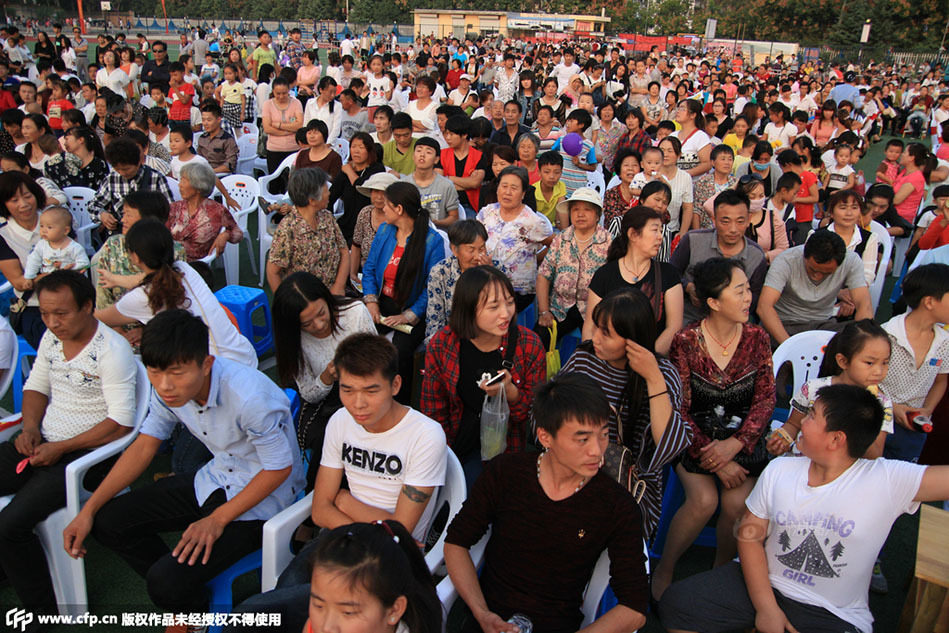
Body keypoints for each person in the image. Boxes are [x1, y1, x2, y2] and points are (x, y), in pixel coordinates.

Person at [63, 310, 304, 631]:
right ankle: (186, 592)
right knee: (108, 522)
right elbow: (145, 445)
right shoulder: (169, 390)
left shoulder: (248, 398)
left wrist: (216, 520)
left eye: (176, 372)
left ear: (205, 364)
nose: (165, 385)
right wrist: (87, 510)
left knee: (163, 583)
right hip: (217, 476)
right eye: (154, 371)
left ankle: (191, 607)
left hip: (264, 499)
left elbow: (278, 468)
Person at [657, 382, 949, 633]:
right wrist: (766, 608)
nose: (800, 421)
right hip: (761, 584)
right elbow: (749, 537)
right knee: (677, 606)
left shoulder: (887, 479)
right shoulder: (781, 469)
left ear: (836, 439)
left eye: (811, 415)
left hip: (832, 611)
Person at [227, 333, 446, 633]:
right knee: (266, 609)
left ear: (395, 385)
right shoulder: (340, 421)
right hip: (338, 541)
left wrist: (343, 501)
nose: (358, 404)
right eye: (347, 390)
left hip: (387, 559)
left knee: (259, 613)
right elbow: (319, 509)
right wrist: (346, 513)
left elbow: (400, 531)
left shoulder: (425, 435)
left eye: (371, 391)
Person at [443, 371, 649, 633]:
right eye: (582, 439)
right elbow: (457, 542)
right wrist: (482, 614)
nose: (597, 450)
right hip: (489, 620)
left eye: (604, 435)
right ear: (545, 437)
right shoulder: (505, 473)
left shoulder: (616, 505)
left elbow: (634, 607)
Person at [0, 271, 137, 619]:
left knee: (10, 524)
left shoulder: (112, 350)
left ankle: (41, 610)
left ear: (88, 306)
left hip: (86, 457)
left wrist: (61, 448)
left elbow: (120, 424)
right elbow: (35, 387)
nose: (51, 322)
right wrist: (29, 428)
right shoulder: (51, 338)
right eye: (45, 313)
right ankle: (9, 566)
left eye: (61, 313)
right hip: (45, 442)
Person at [653, 259, 775, 600]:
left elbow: (766, 399)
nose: (748, 298)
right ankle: (665, 568)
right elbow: (680, 407)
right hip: (696, 438)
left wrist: (736, 445)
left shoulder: (757, 337)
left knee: (737, 503)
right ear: (714, 302)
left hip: (743, 439)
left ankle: (720, 570)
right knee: (704, 500)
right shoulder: (686, 341)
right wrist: (717, 457)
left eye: (748, 289)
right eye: (739, 291)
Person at [561, 288, 689, 539]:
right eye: (595, 327)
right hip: (573, 469)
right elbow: (546, 415)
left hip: (631, 487)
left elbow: (670, 447)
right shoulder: (584, 359)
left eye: (606, 333)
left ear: (633, 339)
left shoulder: (663, 375)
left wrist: (652, 378)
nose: (595, 338)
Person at [422, 265, 546, 486]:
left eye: (509, 302)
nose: (506, 313)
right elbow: (433, 411)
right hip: (455, 447)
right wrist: (442, 458)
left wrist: (511, 393)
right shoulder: (443, 344)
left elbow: (536, 417)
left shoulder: (529, 345)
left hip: (506, 452)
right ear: (468, 308)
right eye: (493, 306)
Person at [95, 219, 257, 368]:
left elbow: (96, 317)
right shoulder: (184, 270)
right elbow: (147, 278)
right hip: (244, 358)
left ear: (135, 257)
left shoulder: (142, 298)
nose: (123, 219)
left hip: (216, 375)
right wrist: (116, 279)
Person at [272, 272, 376, 489]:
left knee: (350, 436)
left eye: (321, 313)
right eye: (307, 324)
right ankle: (321, 500)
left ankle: (317, 504)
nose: (319, 325)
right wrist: (327, 377)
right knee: (331, 438)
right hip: (326, 402)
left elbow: (380, 363)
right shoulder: (294, 340)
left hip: (365, 391)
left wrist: (357, 371)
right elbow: (309, 394)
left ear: (327, 299)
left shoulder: (355, 313)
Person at [363, 182, 446, 403]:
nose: (383, 210)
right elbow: (370, 269)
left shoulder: (431, 241)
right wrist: (372, 302)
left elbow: (432, 288)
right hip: (383, 303)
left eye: (387, 206)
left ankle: (400, 404)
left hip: (414, 312)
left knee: (398, 354)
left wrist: (408, 316)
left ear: (399, 209)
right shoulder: (384, 231)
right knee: (358, 339)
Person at [585, 205, 684, 355]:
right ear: (633, 234)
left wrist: (648, 359)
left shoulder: (668, 274)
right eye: (654, 230)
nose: (660, 237)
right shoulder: (605, 274)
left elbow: (674, 326)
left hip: (651, 362)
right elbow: (590, 327)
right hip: (608, 363)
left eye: (661, 230)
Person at [880, 264, 949, 464]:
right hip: (876, 419)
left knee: (903, 478)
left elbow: (940, 381)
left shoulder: (944, 342)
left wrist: (927, 410)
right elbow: (864, 383)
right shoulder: (886, 336)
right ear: (929, 302)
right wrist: (893, 408)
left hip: (914, 426)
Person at [757, 231, 873, 346]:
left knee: (865, 333)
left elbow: (864, 306)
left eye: (827, 273)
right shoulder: (786, 260)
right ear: (804, 256)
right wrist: (789, 346)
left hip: (823, 325)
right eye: (812, 269)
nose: (817, 276)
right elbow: (764, 307)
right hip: (784, 324)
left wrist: (860, 341)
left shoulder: (851, 261)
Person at [671, 189, 768, 325]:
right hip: (689, 319)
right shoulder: (693, 240)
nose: (733, 229)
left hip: (731, 325)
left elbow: (755, 297)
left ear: (749, 220)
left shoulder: (756, 256)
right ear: (714, 220)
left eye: (740, 222)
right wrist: (688, 287)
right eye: (725, 222)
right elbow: (670, 274)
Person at [536, 188, 611, 348]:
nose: (580, 214)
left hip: (595, 311)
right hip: (560, 307)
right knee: (538, 339)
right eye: (575, 209)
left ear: (597, 215)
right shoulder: (561, 239)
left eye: (587, 210)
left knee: (598, 348)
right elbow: (544, 275)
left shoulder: (609, 242)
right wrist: (544, 311)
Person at [477, 165, 553, 311]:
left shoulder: (532, 221)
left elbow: (556, 245)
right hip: (486, 280)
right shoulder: (487, 212)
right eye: (504, 186)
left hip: (517, 289)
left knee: (488, 309)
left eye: (514, 188)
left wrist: (537, 259)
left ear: (523, 193)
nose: (507, 192)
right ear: (497, 188)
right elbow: (473, 240)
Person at [267, 167, 349, 297]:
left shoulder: (327, 217)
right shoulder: (288, 228)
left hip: (331, 294)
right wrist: (286, 304)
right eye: (326, 190)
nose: (329, 193)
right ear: (312, 201)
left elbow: (344, 252)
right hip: (304, 301)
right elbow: (273, 272)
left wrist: (339, 286)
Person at [425, 219, 504, 343]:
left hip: (488, 338)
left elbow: (502, 309)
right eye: (471, 250)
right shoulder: (440, 272)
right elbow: (434, 319)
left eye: (482, 248)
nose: (478, 256)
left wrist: (489, 274)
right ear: (455, 250)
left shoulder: (496, 269)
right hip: (453, 339)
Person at [0, 171, 47, 346]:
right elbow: (20, 283)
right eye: (14, 200)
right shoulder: (4, 236)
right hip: (34, 307)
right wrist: (55, 275)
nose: (24, 204)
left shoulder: (56, 220)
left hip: (70, 301)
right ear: (4, 205)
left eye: (28, 196)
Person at [89, 137, 172, 236]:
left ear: (138, 163)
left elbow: (170, 209)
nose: (122, 173)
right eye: (117, 169)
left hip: (149, 233)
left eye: (126, 169)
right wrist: (102, 215)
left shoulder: (155, 178)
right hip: (121, 232)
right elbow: (93, 206)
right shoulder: (112, 179)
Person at [166, 161, 243, 261]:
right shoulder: (175, 207)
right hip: (169, 259)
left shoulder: (217, 211)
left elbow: (238, 233)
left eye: (184, 181)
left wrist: (225, 235)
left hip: (194, 263)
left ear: (198, 186)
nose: (179, 185)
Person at [329, 131, 385, 245]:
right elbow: (329, 197)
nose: (356, 151)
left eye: (361, 147)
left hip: (370, 226)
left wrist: (349, 171)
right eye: (353, 146)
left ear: (369, 151)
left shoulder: (377, 169)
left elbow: (362, 186)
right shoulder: (344, 172)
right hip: (347, 225)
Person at [814, 190, 880, 286]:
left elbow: (867, 274)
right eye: (843, 208)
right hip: (819, 289)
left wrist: (853, 292)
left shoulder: (870, 239)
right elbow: (810, 270)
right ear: (831, 212)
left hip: (852, 291)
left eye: (854, 208)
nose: (849, 213)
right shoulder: (815, 236)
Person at [403, 136, 459, 228]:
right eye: (419, 151)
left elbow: (454, 217)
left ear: (436, 159)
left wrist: (434, 223)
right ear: (413, 156)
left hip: (437, 235)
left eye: (428, 152)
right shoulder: (403, 184)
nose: (422, 155)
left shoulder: (446, 185)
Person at [23, 206, 89, 282]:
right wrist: (29, 277)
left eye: (49, 227)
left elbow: (85, 263)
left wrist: (66, 265)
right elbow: (33, 260)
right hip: (48, 281)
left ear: (65, 230)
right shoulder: (41, 245)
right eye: (41, 226)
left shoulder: (74, 248)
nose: (44, 230)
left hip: (69, 281)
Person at [439, 115, 484, 217]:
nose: (448, 138)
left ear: (464, 135)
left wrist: (449, 178)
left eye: (451, 134)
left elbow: (475, 183)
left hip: (470, 206)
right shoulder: (441, 154)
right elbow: (439, 183)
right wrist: (466, 183)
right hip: (445, 204)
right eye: (446, 134)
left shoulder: (479, 156)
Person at [261, 76, 303, 184]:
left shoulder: (296, 103)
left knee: (293, 183)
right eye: (278, 93)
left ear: (289, 91)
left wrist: (278, 125)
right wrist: (288, 131)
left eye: (284, 93)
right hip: (274, 149)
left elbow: (299, 125)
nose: (281, 96)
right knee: (274, 182)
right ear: (273, 91)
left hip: (293, 148)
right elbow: (267, 128)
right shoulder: (267, 105)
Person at [44, 126, 109, 190]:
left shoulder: (99, 164)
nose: (64, 143)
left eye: (67, 139)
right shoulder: (62, 162)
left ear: (80, 140)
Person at [691, 144, 736, 229]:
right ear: (713, 162)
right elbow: (696, 211)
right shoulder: (703, 182)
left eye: (730, 159)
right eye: (723, 159)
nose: (727, 163)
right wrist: (697, 234)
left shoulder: (735, 183)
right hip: (707, 229)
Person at [196, 101, 238, 174]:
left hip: (220, 175)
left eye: (209, 120)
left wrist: (211, 172)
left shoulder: (227, 140)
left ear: (218, 120)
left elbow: (230, 165)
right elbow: (198, 159)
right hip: (202, 175)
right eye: (203, 120)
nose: (205, 123)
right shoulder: (202, 138)